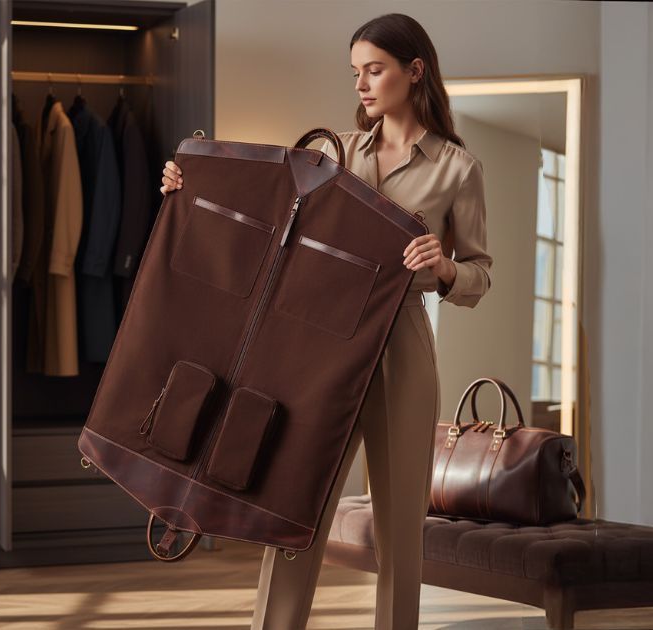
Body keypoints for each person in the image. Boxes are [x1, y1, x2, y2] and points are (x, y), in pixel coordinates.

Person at [161, 13, 493, 630]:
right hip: (320, 348)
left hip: (402, 350)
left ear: (413, 71)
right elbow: (260, 217)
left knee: (399, 529)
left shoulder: (457, 168)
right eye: (356, 73)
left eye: (375, 70)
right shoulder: (329, 154)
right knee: (293, 508)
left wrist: (445, 267)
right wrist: (190, 179)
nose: (362, 85)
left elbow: (479, 274)